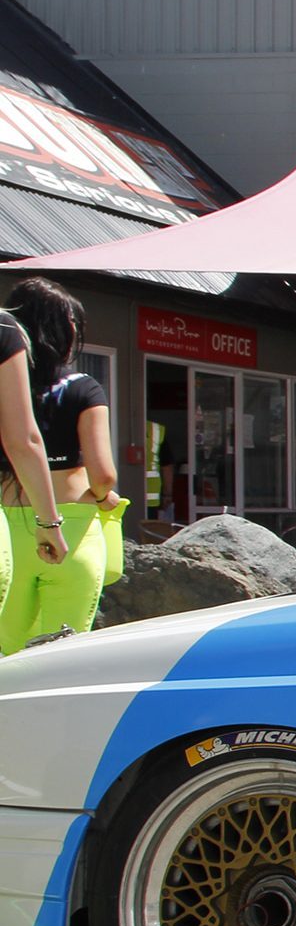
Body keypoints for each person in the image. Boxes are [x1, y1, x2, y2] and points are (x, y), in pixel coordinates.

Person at [0, 279, 115, 653]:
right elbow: (104, 473)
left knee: (6, 652)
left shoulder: (9, 380)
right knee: (62, 653)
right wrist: (103, 495)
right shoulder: (84, 388)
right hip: (71, 527)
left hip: (9, 518)